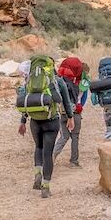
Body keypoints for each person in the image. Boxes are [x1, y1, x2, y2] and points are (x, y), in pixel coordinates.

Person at [17, 58, 76, 198]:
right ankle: (45, 186)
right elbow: (65, 100)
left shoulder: (30, 81)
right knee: (48, 153)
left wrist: (23, 121)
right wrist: (70, 117)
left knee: (38, 147)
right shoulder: (57, 81)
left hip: (35, 121)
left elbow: (27, 101)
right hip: (51, 120)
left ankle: (37, 174)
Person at [53, 55, 89, 167]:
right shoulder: (83, 83)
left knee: (63, 136)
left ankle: (52, 155)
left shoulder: (60, 80)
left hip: (61, 111)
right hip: (75, 112)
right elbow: (83, 99)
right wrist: (79, 107)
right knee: (75, 137)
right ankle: (74, 161)